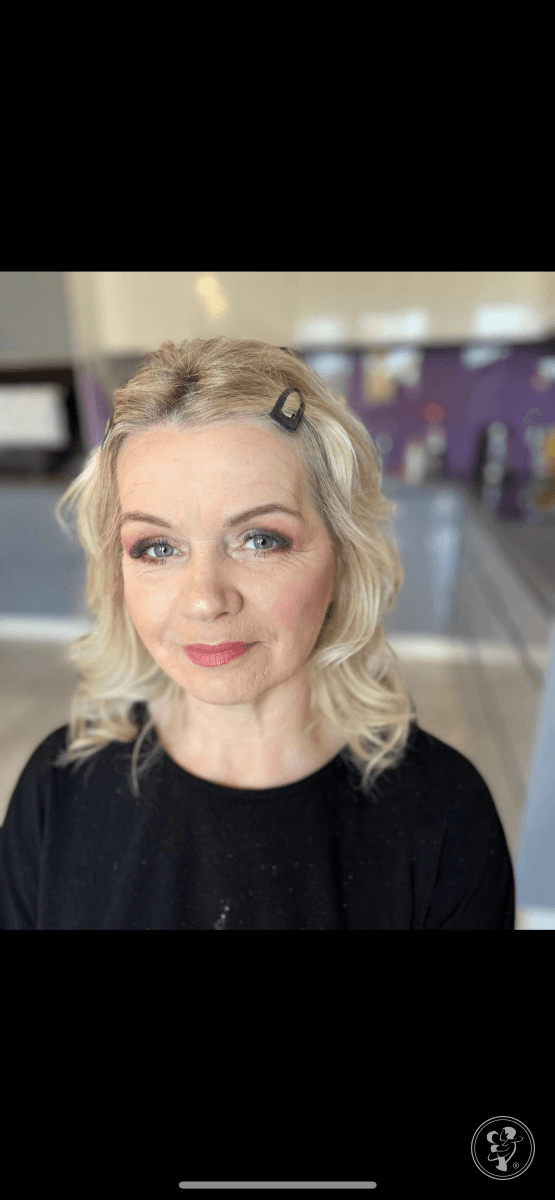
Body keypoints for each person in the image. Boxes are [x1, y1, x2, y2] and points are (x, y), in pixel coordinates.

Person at [0, 338, 515, 929]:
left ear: (343, 554)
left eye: (260, 540)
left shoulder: (445, 818)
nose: (205, 599)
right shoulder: (57, 790)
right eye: (158, 547)